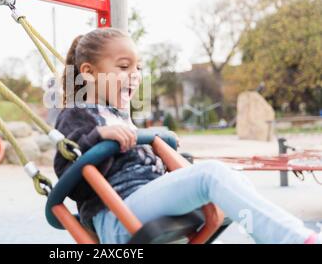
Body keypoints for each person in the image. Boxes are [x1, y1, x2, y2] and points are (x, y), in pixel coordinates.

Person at [53, 27, 320, 244]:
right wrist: (99, 136)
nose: (135, 76)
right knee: (210, 175)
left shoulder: (120, 114)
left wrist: (161, 149)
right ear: (88, 73)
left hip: (143, 201)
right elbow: (69, 176)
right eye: (124, 67)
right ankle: (294, 239)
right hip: (116, 214)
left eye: (138, 68)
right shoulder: (76, 113)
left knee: (230, 176)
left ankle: (273, 237)